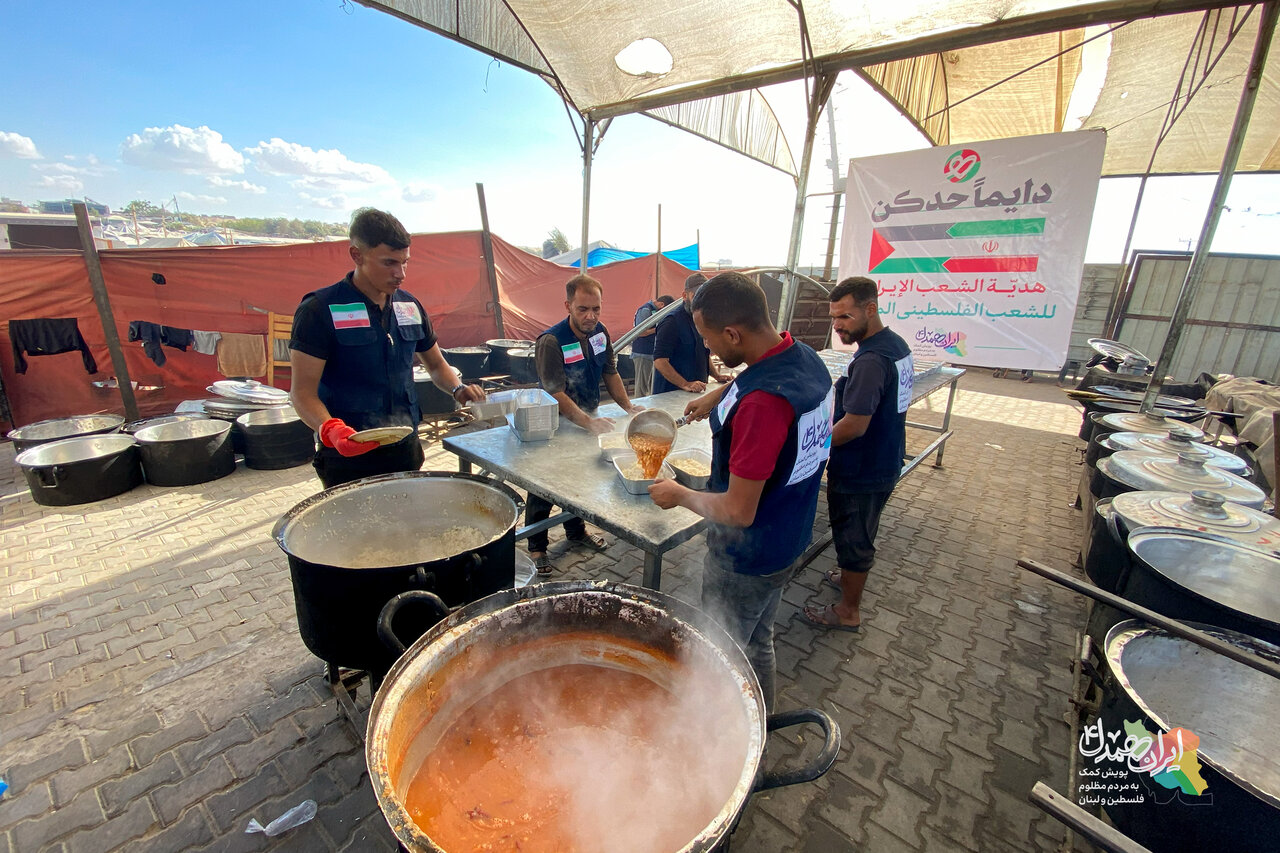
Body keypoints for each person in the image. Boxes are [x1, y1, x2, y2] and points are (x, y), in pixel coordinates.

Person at [648, 272, 833, 711]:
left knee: (717, 656)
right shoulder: (804, 356)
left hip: (747, 557)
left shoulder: (762, 407)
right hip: (790, 535)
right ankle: (764, 722)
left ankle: (710, 732)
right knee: (758, 641)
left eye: (708, 338)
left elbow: (737, 511)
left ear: (732, 333)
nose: (706, 347)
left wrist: (678, 494)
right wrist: (720, 393)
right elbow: (761, 375)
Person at [289, 208, 485, 489]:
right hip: (347, 454)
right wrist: (330, 429)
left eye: (405, 263)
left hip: (404, 447)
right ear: (357, 255)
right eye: (389, 263)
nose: (400, 274)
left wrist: (458, 388)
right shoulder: (320, 309)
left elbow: (436, 364)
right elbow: (302, 393)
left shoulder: (409, 306)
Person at [801, 276, 913, 632]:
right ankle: (848, 576)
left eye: (845, 317)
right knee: (862, 529)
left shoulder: (871, 361)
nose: (837, 326)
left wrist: (810, 448)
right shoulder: (895, 345)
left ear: (870, 309)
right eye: (834, 317)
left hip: (862, 468)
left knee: (854, 537)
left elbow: (854, 425)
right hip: (886, 457)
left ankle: (848, 611)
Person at [528, 274, 645, 575]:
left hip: (587, 418)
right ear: (568, 306)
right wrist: (588, 423)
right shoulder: (551, 342)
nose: (590, 316)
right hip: (553, 424)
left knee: (577, 478)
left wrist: (628, 406)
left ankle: (576, 531)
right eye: (583, 309)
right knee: (544, 483)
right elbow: (554, 393)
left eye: (596, 309)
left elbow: (610, 372)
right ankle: (537, 545)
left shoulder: (600, 333)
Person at [652, 273, 729, 394]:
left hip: (697, 391)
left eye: (704, 299)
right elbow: (660, 361)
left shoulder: (701, 320)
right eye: (696, 297)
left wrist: (717, 376)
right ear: (685, 295)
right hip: (671, 395)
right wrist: (685, 384)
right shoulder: (671, 322)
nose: (700, 303)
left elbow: (703, 354)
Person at [630, 294, 675, 397]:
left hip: (650, 353)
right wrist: (660, 328)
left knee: (650, 386)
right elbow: (640, 332)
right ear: (661, 304)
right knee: (641, 388)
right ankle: (638, 406)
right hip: (642, 353)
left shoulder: (652, 310)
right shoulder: (646, 310)